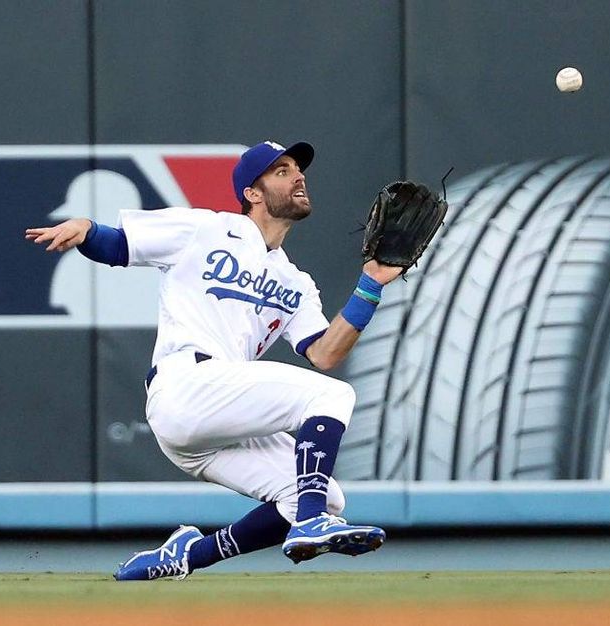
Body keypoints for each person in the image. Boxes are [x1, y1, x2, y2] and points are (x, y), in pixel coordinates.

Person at [25, 140, 402, 581]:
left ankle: (189, 554)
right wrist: (87, 228)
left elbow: (326, 353)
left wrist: (371, 285)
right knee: (332, 399)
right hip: (185, 384)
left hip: (215, 418)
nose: (298, 176)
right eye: (282, 171)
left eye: (298, 169)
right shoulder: (206, 229)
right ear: (253, 193)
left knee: (321, 494)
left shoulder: (296, 283)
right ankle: (312, 523)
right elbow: (118, 245)